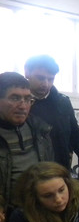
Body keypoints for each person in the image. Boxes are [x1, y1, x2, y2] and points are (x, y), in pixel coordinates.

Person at [24, 55, 79, 171]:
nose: (45, 84)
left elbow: (74, 133)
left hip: (61, 169)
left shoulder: (63, 102)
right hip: (31, 172)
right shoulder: (18, 105)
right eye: (40, 78)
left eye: (50, 79)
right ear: (27, 72)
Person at [0, 72, 53, 210]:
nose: (23, 106)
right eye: (15, 98)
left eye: (28, 99)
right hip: (6, 216)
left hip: (41, 210)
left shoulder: (41, 130)